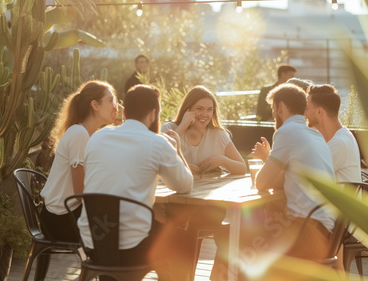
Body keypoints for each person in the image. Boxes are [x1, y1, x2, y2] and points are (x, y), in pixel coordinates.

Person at [211, 84, 335, 280]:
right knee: (239, 234)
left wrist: (266, 162)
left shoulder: (287, 132)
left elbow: (261, 183)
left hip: (307, 232)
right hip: (328, 231)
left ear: (280, 107)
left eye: (272, 108)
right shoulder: (314, 134)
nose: (273, 114)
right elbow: (279, 182)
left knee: (231, 236)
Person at [77, 84, 194, 280]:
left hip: (92, 242)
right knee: (184, 242)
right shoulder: (157, 143)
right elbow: (184, 185)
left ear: (124, 112)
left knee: (154, 226)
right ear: (153, 114)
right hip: (132, 248)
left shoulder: (98, 137)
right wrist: (178, 150)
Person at [40, 80, 118, 242]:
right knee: (124, 223)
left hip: (70, 214)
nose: (115, 106)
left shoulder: (90, 135)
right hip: (61, 220)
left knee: (123, 218)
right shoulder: (79, 134)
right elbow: (80, 193)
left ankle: (100, 265)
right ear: (95, 105)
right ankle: (100, 265)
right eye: (111, 100)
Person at [161, 85, 246, 175]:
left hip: (208, 187)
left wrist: (223, 160)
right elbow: (159, 157)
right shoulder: (168, 129)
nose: (205, 114)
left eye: (209, 110)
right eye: (199, 109)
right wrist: (183, 125)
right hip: (175, 188)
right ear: (188, 110)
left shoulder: (218, 134)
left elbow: (242, 168)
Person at [305, 84, 361, 182]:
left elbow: (305, 177)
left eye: (307, 108)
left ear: (319, 112)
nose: (304, 114)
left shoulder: (339, 143)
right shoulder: (341, 136)